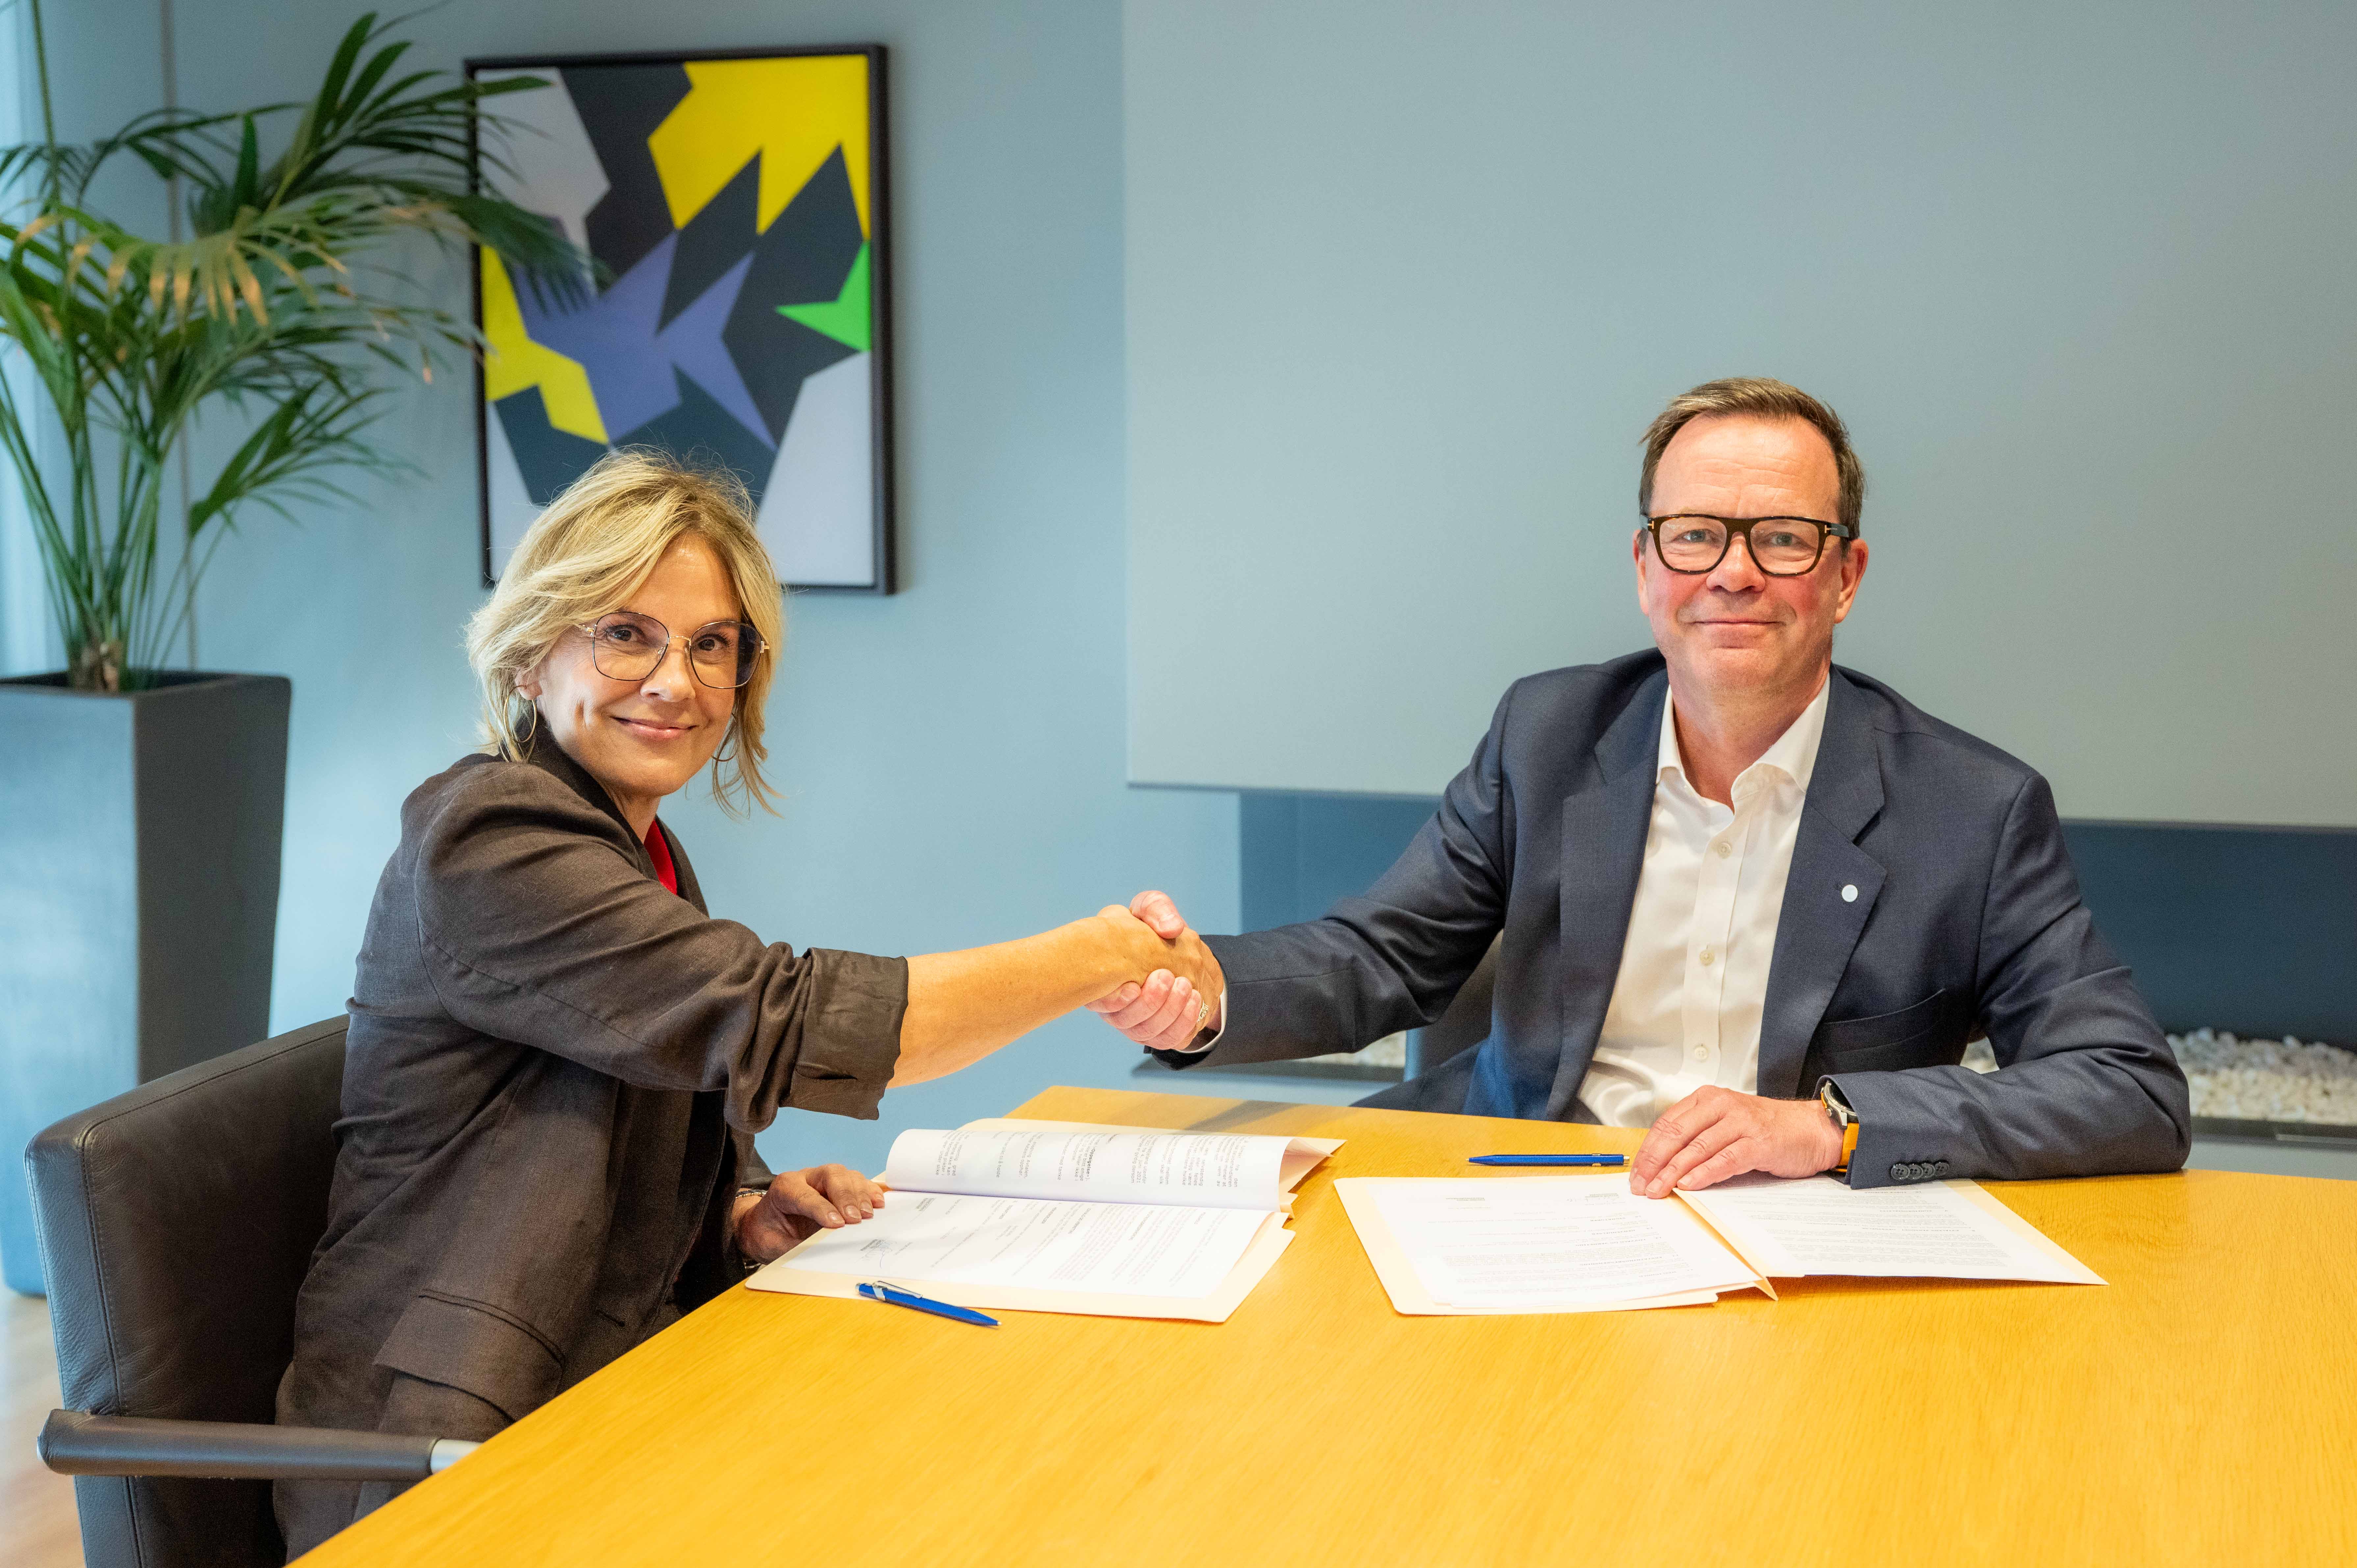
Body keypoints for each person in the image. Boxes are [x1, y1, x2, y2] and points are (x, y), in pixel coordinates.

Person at [276, 452, 1220, 1555]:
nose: (676, 680)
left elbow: (632, 1096)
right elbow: (786, 1021)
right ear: (532, 656)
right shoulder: (491, 841)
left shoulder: (637, 848)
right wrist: (1099, 953)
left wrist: (737, 1212)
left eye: (711, 644)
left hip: (613, 1381)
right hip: (445, 1452)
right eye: (625, 632)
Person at [1092, 377, 2190, 1198]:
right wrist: (1197, 987)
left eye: (1784, 539)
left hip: (1792, 1222)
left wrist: (1835, 1127)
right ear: (1644, 567)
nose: (1733, 571)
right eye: (1696, 534)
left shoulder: (1973, 808)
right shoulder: (1546, 735)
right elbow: (1383, 956)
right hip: (1526, 1188)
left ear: (1845, 576)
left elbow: (2128, 1088)